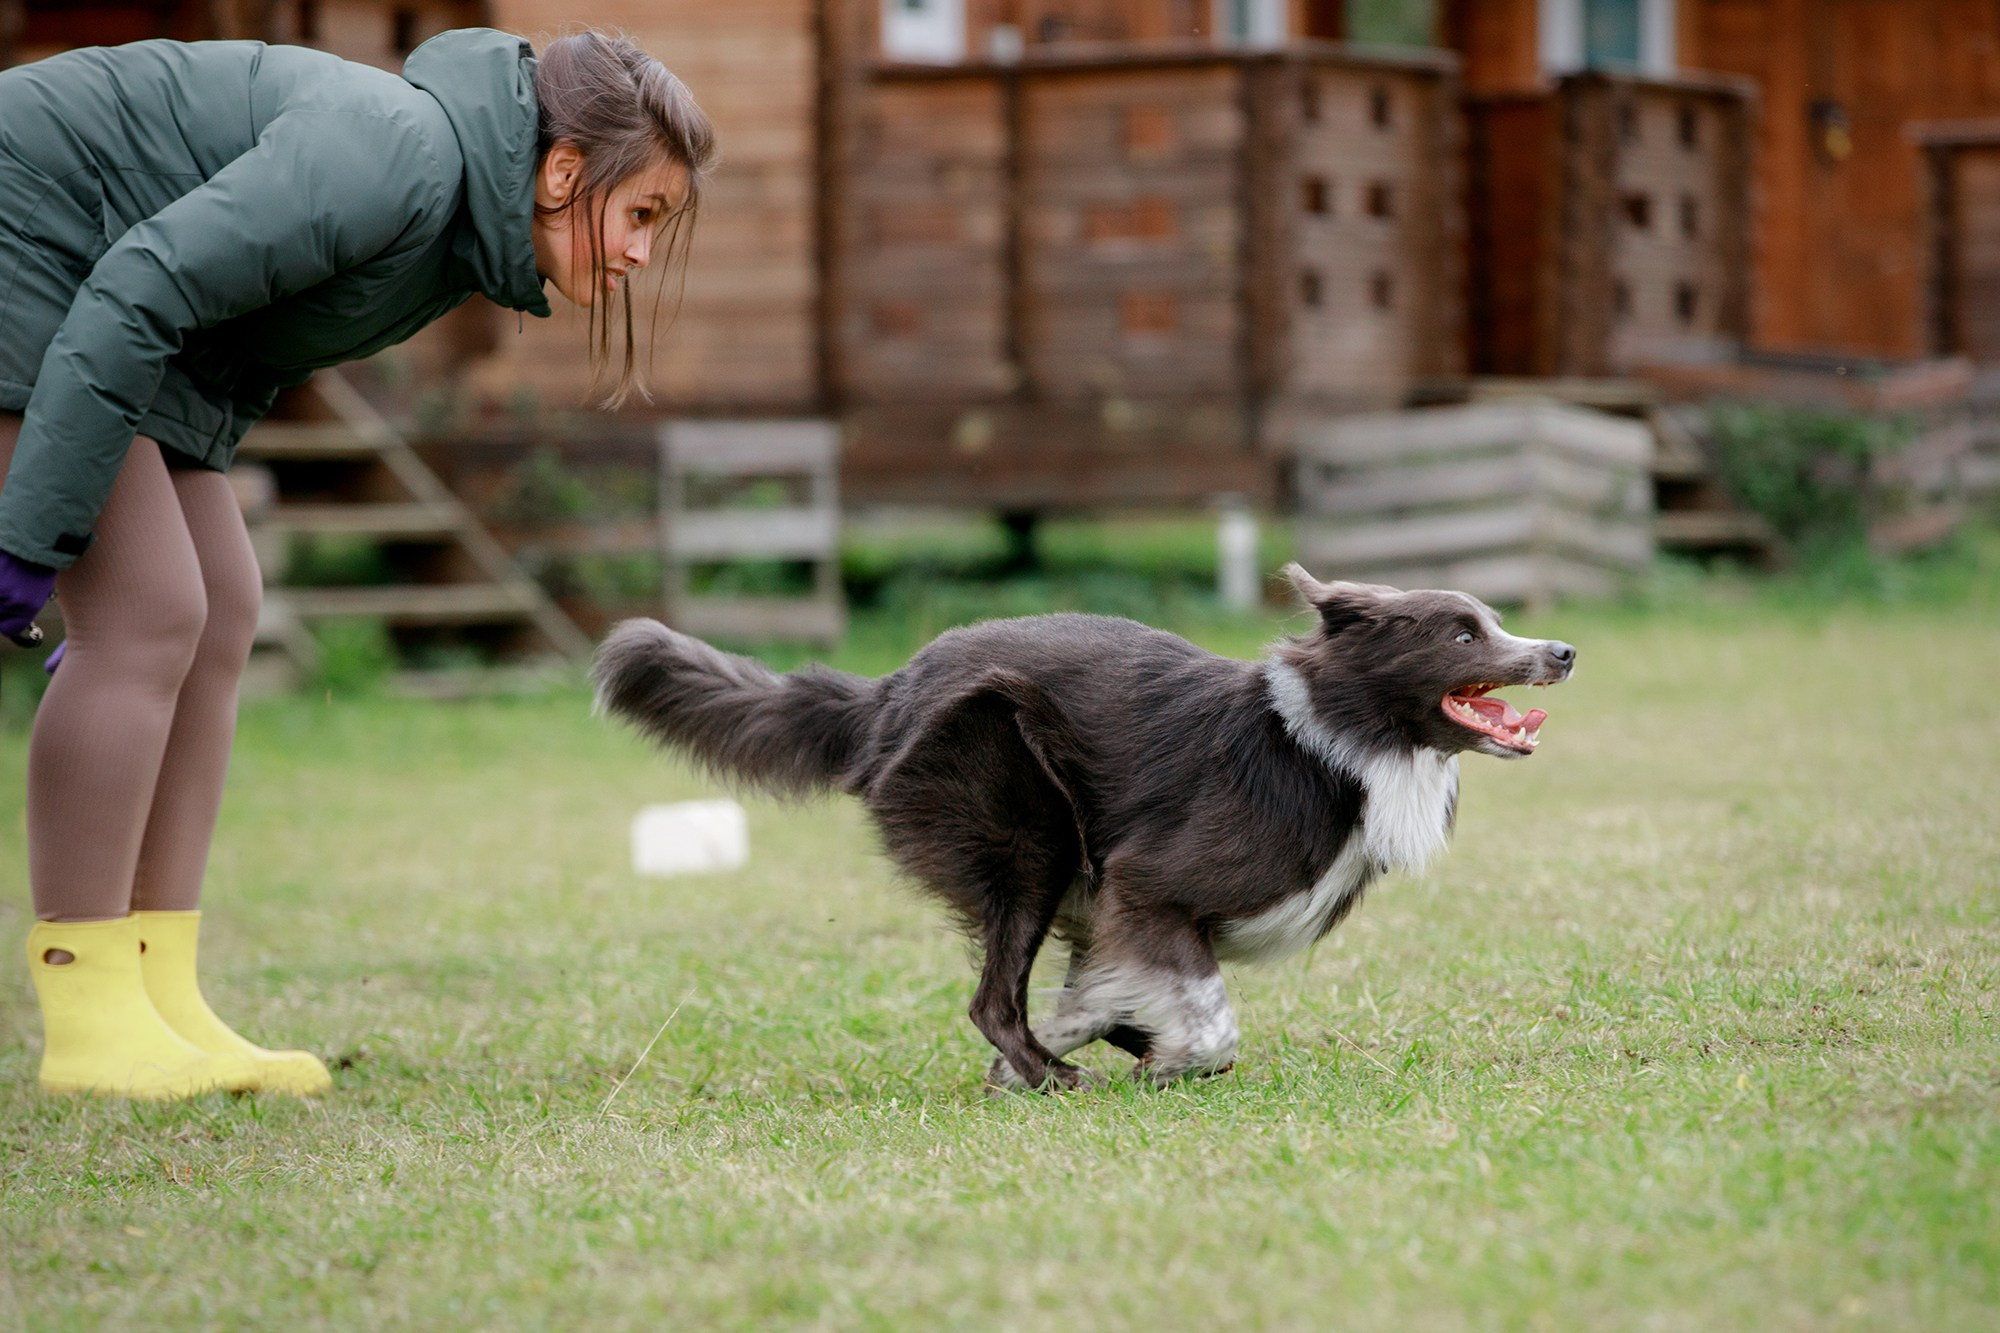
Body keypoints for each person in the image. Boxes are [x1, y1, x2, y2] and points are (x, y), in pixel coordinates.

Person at [0, 27, 714, 1098]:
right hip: (30, 237)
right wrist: (35, 533)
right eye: (642, 213)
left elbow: (231, 344)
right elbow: (143, 287)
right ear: (565, 171)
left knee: (218, 603)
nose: (640, 254)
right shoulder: (397, 157)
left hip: (104, 291)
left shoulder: (452, 230)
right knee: (149, 610)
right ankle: (91, 1012)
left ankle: (159, 988)